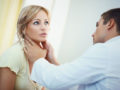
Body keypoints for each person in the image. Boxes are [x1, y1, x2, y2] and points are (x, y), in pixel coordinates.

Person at [24, 8, 120, 90]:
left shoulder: (105, 51)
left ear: (110, 24)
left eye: (97, 25)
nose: (93, 34)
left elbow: (56, 80)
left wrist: (37, 59)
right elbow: (76, 82)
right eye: (36, 22)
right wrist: (52, 60)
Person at [0, 5, 50, 90]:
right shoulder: (13, 55)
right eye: (36, 22)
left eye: (46, 22)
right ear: (23, 28)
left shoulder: (43, 56)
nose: (44, 27)